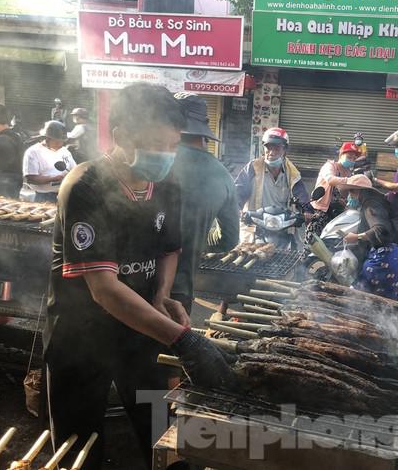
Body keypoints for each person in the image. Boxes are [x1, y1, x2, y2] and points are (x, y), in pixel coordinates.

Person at [44, 84, 236, 470]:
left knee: (160, 433)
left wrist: (162, 294)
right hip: (81, 337)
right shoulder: (85, 187)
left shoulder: (167, 185)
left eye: (172, 146)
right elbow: (104, 289)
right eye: (156, 145)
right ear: (122, 136)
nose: (166, 156)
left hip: (141, 332)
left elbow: (169, 248)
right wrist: (183, 339)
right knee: (78, 450)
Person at [168, 92, 239, 313]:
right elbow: (229, 239)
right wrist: (197, 241)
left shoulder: (154, 160)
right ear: (204, 133)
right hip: (179, 289)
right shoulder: (222, 175)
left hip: (131, 284)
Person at [234, 127, 311, 241]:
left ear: (284, 150)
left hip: (283, 228)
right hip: (255, 228)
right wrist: (236, 208)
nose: (271, 152)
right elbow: (238, 190)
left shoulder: (292, 172)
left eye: (277, 148)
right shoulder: (253, 168)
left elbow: (300, 193)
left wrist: (307, 211)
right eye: (268, 147)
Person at [336, 174, 398, 300]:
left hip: (382, 260)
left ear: (358, 191)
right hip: (394, 257)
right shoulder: (376, 201)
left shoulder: (371, 205)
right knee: (383, 304)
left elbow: (380, 230)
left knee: (354, 298)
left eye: (351, 191)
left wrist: (357, 237)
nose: (350, 195)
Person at [305, 141, 361, 246]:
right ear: (341, 155)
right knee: (313, 245)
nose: (351, 160)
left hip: (338, 214)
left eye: (354, 158)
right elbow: (331, 180)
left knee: (333, 246)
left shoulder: (350, 173)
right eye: (349, 157)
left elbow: (351, 195)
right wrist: (349, 181)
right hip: (321, 211)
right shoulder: (330, 166)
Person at [23, 121, 76, 202]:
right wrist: (53, 178)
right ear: (47, 138)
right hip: (44, 196)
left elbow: (74, 169)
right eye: (57, 141)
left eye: (62, 141)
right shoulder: (33, 152)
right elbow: (31, 178)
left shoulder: (65, 151)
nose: (60, 144)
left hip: (64, 194)